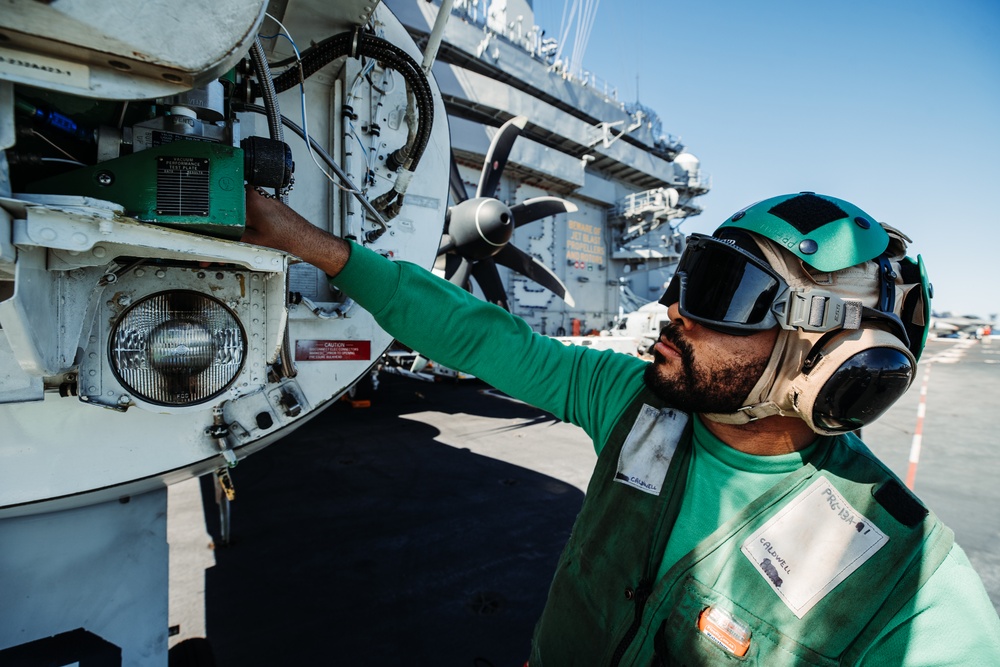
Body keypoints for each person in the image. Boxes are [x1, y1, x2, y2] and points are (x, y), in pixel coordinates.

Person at [244, 188, 1000, 665]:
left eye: (719, 292)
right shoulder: (635, 401)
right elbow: (485, 338)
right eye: (690, 276)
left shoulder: (915, 590)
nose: (674, 307)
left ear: (828, 354)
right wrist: (312, 245)